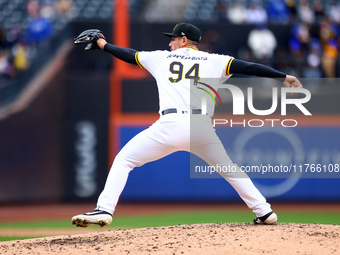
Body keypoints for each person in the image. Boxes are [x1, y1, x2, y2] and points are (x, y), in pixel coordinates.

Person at [72, 23, 303, 228]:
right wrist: (282, 76)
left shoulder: (161, 58)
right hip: (202, 128)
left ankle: (104, 209)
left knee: (125, 160)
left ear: (183, 40)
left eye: (173, 38)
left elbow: (130, 55)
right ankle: (264, 211)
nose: (170, 43)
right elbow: (250, 67)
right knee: (231, 170)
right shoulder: (216, 60)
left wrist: (103, 44)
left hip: (170, 125)